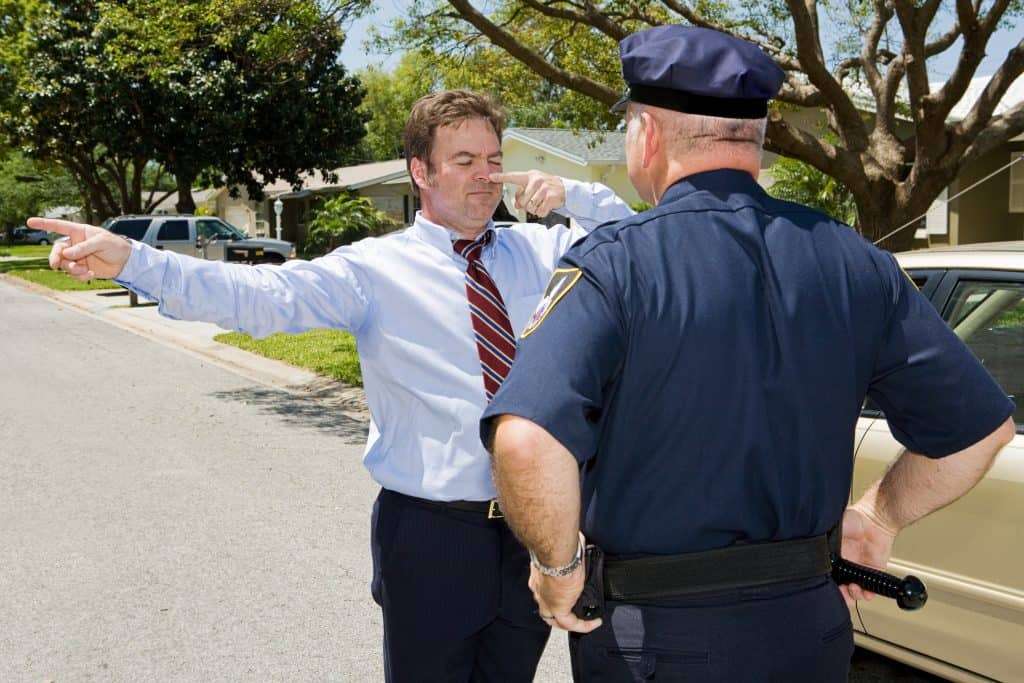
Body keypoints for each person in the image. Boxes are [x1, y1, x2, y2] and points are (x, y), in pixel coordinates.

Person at [34, 89, 635, 682]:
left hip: (536, 530)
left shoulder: (545, 251)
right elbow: (258, 296)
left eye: (494, 160)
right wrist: (135, 261)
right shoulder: (373, 270)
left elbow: (636, 244)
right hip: (432, 534)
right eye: (464, 161)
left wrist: (573, 194)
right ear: (420, 171)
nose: (486, 176)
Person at [480, 26, 1016, 682]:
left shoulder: (615, 264)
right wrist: (879, 517)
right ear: (755, 139)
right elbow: (979, 431)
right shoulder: (854, 261)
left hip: (659, 642)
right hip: (809, 633)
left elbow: (526, 441)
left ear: (647, 133)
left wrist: (557, 567)